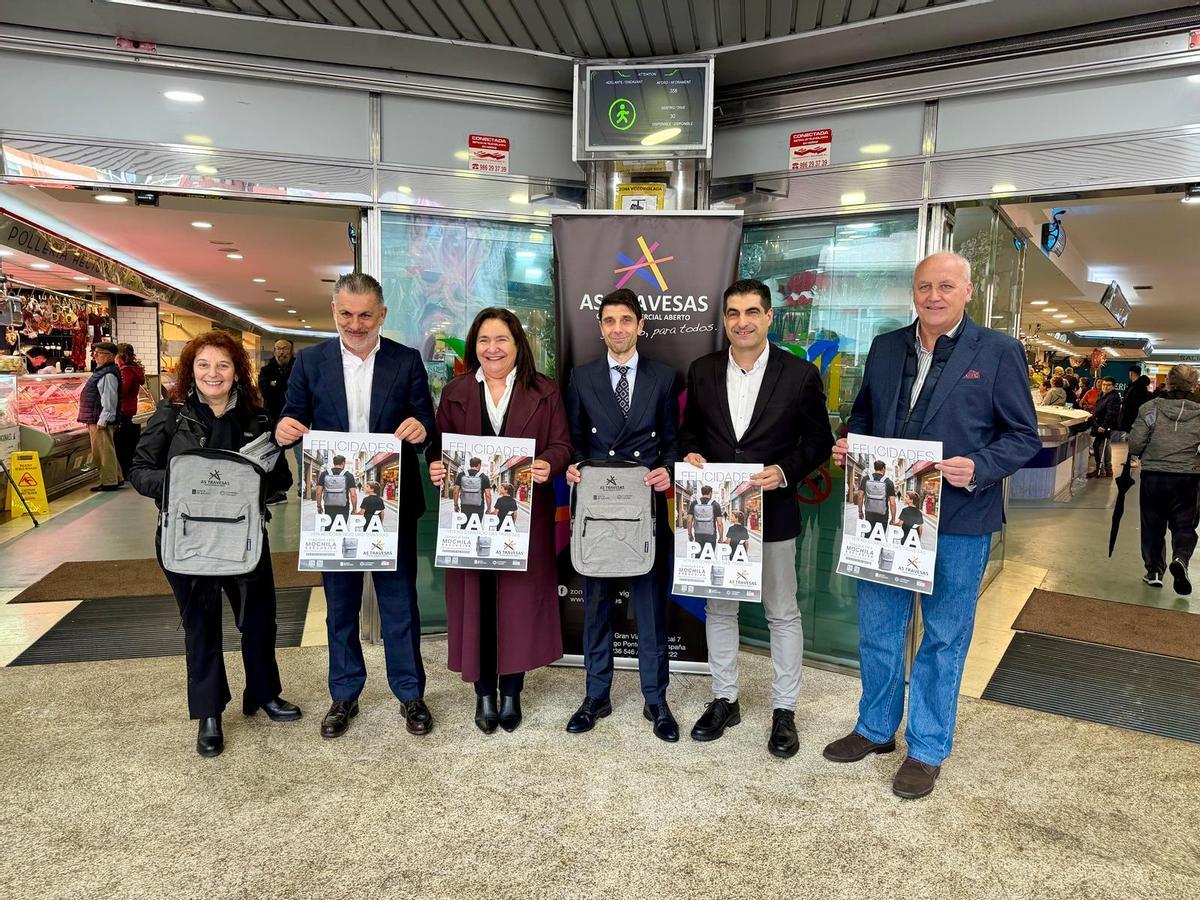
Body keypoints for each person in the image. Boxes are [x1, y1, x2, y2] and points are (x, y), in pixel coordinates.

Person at [824, 251, 1039, 799]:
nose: (934, 295)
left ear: (968, 291)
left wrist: (980, 468)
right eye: (925, 286)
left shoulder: (998, 352)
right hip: (887, 517)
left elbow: (1022, 435)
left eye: (946, 286)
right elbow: (867, 415)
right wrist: (853, 443)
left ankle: (927, 747)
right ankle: (875, 729)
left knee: (943, 636)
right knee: (878, 630)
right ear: (913, 293)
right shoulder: (885, 347)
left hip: (961, 520)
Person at [678, 278, 834, 759]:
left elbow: (819, 442)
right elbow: (689, 434)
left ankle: (784, 710)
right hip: (719, 515)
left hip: (775, 514)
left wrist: (785, 471)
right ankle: (725, 699)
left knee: (781, 613)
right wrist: (691, 455)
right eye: (732, 313)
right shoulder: (701, 370)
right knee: (720, 609)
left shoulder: (800, 374)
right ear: (724, 320)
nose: (741, 321)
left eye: (751, 312)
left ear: (769, 317)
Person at [276, 272, 436, 740]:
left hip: (391, 503)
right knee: (340, 607)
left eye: (366, 314)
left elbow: (424, 416)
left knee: (399, 604)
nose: (355, 323)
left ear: (382, 315)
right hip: (332, 509)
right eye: (346, 313)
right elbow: (292, 413)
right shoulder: (310, 362)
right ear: (334, 312)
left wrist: (419, 429)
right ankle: (344, 694)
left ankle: (411, 694)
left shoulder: (406, 361)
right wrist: (286, 426)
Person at [128, 330, 298, 757]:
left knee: (258, 621)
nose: (213, 373)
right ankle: (209, 713)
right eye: (203, 365)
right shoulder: (172, 416)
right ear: (191, 371)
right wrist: (181, 484)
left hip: (243, 541)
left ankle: (262, 693)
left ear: (236, 370)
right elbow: (140, 469)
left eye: (222, 365)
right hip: (187, 542)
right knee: (201, 627)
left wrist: (260, 481)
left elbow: (282, 481)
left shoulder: (258, 419)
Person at [427, 307, 571, 734]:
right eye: (485, 341)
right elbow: (438, 447)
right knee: (478, 602)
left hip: (522, 519)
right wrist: (436, 465)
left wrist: (548, 463)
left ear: (517, 345)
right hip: (469, 521)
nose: (493, 349)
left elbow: (563, 444)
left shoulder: (544, 391)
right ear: (475, 346)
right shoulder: (455, 391)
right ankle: (483, 694)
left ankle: (511, 692)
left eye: (502, 340)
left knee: (517, 604)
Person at [563, 288, 680, 742]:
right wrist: (573, 465)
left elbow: (671, 441)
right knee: (595, 608)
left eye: (626, 320)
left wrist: (667, 471)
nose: (617, 328)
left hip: (644, 510)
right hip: (597, 511)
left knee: (650, 611)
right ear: (600, 327)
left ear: (640, 326)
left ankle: (656, 699)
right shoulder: (581, 376)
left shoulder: (665, 378)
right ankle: (597, 695)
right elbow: (573, 438)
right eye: (609, 320)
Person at [1127, 364, 1200, 595]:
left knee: (1152, 524)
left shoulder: (1150, 408)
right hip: (1188, 478)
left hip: (1154, 476)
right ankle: (1181, 559)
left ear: (1167, 382)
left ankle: (1155, 571)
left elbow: (1135, 444)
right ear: (1194, 385)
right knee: (1184, 525)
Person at [77, 342, 123, 492]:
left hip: (99, 418)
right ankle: (116, 477)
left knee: (102, 452)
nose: (95, 356)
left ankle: (109, 482)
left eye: (99, 353)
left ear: (109, 356)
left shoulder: (108, 374)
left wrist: (104, 418)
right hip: (97, 416)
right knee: (107, 450)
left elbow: (109, 398)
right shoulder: (104, 371)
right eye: (95, 352)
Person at [259, 339, 297, 502]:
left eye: (285, 349)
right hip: (273, 419)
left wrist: (278, 386)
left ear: (291, 350)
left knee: (301, 455)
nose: (282, 352)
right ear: (274, 350)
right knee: (276, 455)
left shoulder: (299, 368)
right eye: (278, 349)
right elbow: (267, 393)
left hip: (298, 419)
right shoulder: (266, 370)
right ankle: (278, 490)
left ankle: (304, 489)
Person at [114, 343, 145, 480]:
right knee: (127, 442)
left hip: (123, 409)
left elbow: (123, 390)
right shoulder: (135, 369)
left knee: (122, 444)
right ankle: (127, 469)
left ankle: (125, 471)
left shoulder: (125, 371)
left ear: (119, 355)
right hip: (131, 408)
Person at [1087, 377, 1121, 479]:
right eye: (1104, 384)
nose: (1105, 387)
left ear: (1113, 386)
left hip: (1103, 426)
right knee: (1105, 446)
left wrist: (1104, 426)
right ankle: (1107, 469)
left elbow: (1111, 413)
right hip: (1099, 424)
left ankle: (1100, 470)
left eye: (1108, 385)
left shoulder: (1113, 397)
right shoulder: (1103, 394)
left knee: (1098, 446)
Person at [857, 459, 897, 538]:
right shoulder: (889, 482)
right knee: (880, 537)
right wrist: (893, 518)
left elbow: (860, 497)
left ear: (875, 468)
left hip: (869, 513)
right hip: (883, 515)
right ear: (883, 469)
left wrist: (860, 511)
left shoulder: (865, 479)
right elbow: (892, 503)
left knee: (868, 535)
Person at [316, 454, 358, 530]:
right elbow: (353, 495)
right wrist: (354, 509)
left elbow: (318, 492)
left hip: (329, 506)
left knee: (328, 528)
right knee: (341, 528)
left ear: (334, 462)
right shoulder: (349, 475)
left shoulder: (324, 474)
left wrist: (319, 506)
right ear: (343, 463)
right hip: (344, 507)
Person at [687, 484, 725, 557]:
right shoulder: (715, 504)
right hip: (711, 535)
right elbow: (720, 523)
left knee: (698, 556)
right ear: (710, 493)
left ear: (702, 492)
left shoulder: (694, 503)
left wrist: (690, 534)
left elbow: (689, 521)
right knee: (709, 557)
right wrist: (721, 537)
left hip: (698, 535)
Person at [453, 456, 491, 523]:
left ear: (470, 464)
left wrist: (456, 505)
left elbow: (456, 491)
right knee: (476, 527)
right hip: (479, 507)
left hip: (465, 506)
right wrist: (489, 508)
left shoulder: (461, 475)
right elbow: (488, 495)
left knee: (464, 525)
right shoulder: (484, 477)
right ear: (479, 465)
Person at [1119, 365, 1153, 433]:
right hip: (1134, 418)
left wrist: (1125, 402)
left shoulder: (1138, 387)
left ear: (1131, 373)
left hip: (1133, 419)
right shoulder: (1136, 385)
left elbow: (1134, 403)